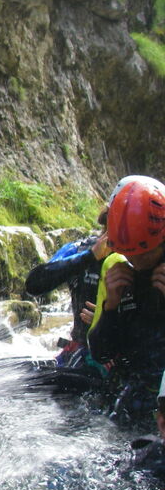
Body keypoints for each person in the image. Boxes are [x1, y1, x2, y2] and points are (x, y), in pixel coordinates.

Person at [88, 175, 165, 426]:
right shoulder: (120, 272)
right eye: (130, 254)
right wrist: (110, 307)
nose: (137, 261)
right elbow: (102, 353)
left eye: (145, 252)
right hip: (130, 401)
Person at [25, 208, 110, 370]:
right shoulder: (81, 250)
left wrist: (107, 322)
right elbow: (34, 284)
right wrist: (90, 257)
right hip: (82, 353)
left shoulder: (153, 256)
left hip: (127, 360)